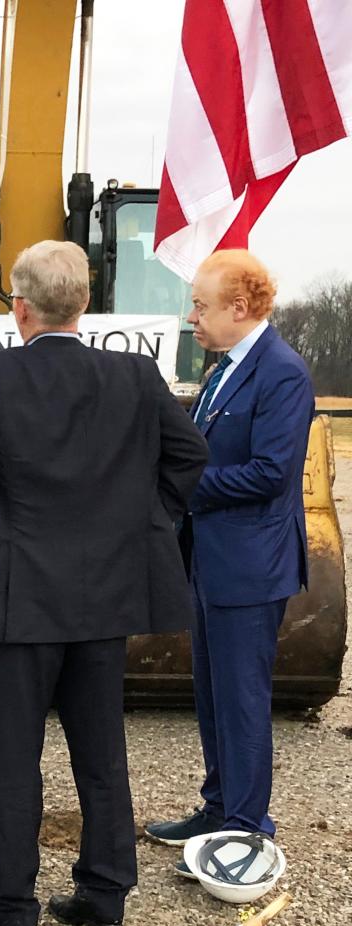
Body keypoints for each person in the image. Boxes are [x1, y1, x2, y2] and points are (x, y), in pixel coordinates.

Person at [0, 240, 208, 926]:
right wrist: (142, 524)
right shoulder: (136, 377)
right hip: (104, 594)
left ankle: (12, 908)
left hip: (19, 598)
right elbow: (190, 455)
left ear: (19, 306)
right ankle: (105, 896)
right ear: (83, 303)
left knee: (13, 755)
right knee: (100, 751)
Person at [145, 250, 315, 869]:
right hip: (211, 560)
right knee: (213, 692)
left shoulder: (281, 373)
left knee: (242, 698)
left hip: (249, 565)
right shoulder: (224, 369)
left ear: (238, 309)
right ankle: (219, 805)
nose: (192, 317)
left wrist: (181, 486)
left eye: (201, 305)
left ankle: (247, 827)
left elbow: (272, 473)